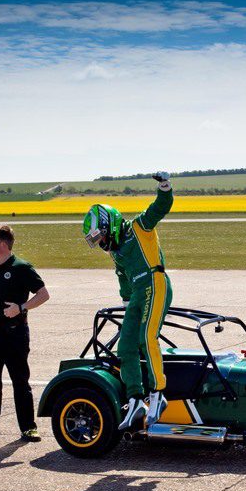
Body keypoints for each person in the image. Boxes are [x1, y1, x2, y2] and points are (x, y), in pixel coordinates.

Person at [81, 173, 174, 430]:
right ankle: (136, 399)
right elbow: (122, 278)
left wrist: (164, 187)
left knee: (147, 337)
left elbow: (160, 208)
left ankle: (158, 394)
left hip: (155, 284)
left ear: (109, 224)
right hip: (137, 295)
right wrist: (125, 307)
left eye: (100, 236)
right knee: (125, 347)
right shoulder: (117, 251)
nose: (100, 243)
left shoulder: (138, 227)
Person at [0, 224, 50, 444]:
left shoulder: (22, 268)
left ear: (2, 245)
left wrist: (21, 308)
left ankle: (28, 428)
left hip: (14, 334)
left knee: (20, 382)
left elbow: (43, 295)